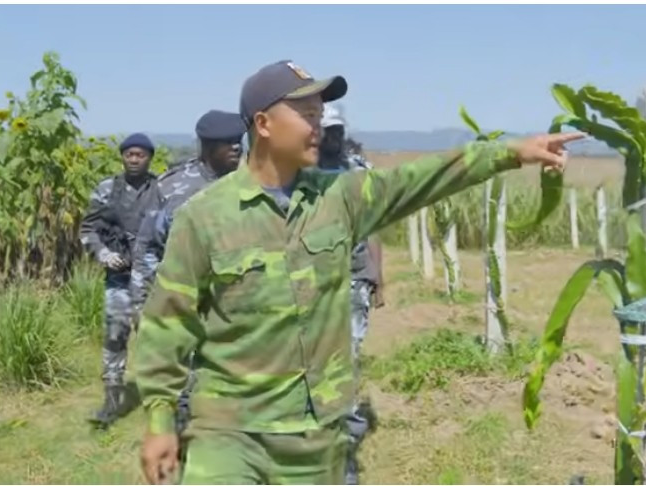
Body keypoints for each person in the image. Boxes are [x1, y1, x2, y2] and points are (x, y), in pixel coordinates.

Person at [134, 59, 583, 485]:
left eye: (320, 112)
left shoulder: (341, 196)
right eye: (306, 113)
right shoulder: (205, 217)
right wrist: (159, 420)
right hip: (229, 430)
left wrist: (510, 153)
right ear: (264, 125)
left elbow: (421, 177)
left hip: (316, 431)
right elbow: (168, 321)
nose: (318, 124)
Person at [129, 109, 246, 448]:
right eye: (227, 144)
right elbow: (147, 248)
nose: (236, 149)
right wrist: (142, 306)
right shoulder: (171, 188)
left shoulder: (253, 185)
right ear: (206, 147)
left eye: (239, 142)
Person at [317, 102, 384, 484]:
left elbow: (374, 225)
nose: (334, 137)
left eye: (339, 130)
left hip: (354, 278)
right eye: (328, 130)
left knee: (349, 356)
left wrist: (379, 277)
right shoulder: (297, 171)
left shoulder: (360, 173)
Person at [79, 132, 160, 428]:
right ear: (122, 157)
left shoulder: (161, 188)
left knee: (157, 340)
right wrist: (102, 253)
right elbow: (88, 229)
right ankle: (112, 401)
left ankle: (161, 402)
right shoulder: (107, 189)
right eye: (129, 154)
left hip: (155, 280)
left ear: (150, 157)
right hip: (119, 277)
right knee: (115, 336)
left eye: (140, 154)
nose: (134, 159)